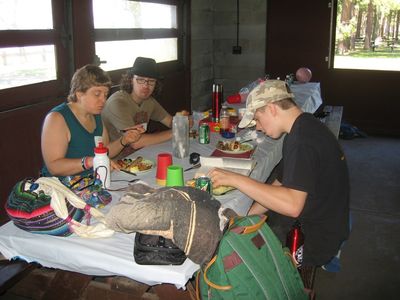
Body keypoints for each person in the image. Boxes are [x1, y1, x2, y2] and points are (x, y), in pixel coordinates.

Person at [208, 80, 350, 268]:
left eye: (257, 119)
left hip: (314, 240)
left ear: (272, 109)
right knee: (244, 230)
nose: (257, 127)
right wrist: (247, 215)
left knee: (231, 259)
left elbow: (292, 206)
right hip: (326, 221)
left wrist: (235, 179)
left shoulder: (301, 141)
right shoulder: (304, 126)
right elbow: (280, 182)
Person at [41, 65, 145, 177]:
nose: (103, 100)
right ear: (79, 93)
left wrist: (124, 140)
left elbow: (105, 151)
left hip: (89, 182)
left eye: (105, 95)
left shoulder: (95, 115)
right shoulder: (57, 118)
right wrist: (91, 161)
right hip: (60, 187)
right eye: (97, 94)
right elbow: (54, 167)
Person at [102, 57, 186, 154]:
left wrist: (183, 121)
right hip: (116, 160)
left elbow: (170, 122)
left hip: (138, 155)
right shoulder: (117, 103)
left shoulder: (149, 101)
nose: (146, 85)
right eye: (140, 80)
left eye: (151, 81)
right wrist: (176, 132)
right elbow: (135, 142)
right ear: (131, 80)